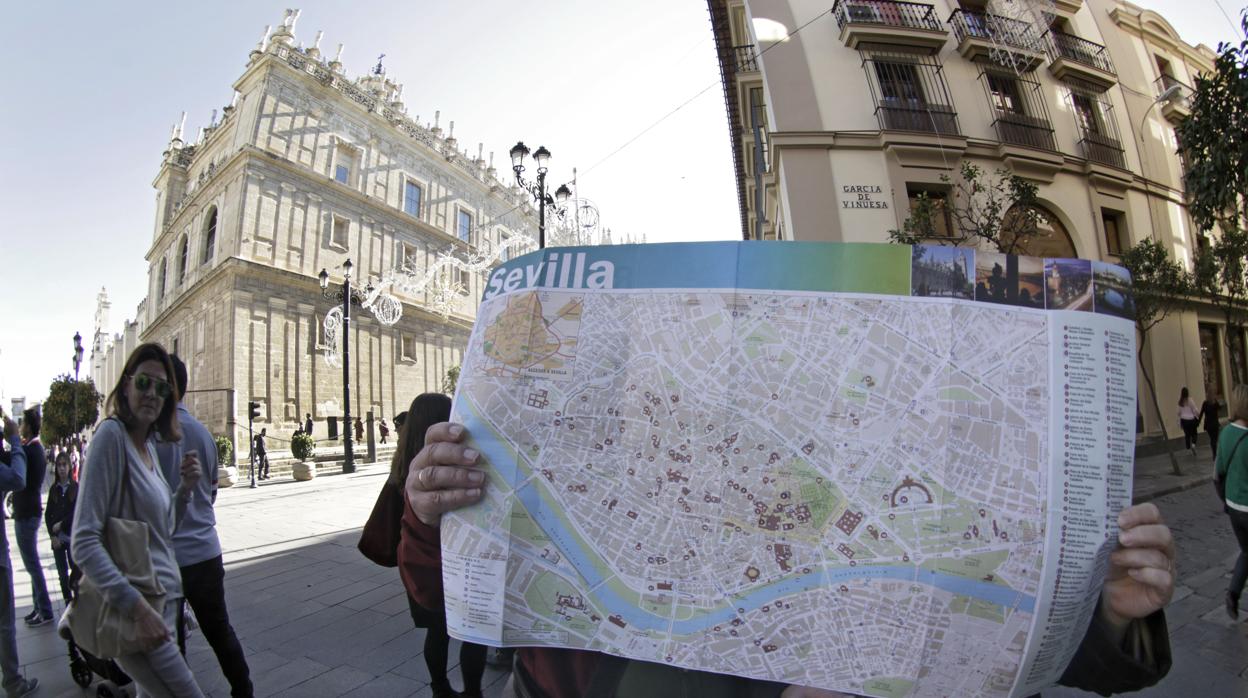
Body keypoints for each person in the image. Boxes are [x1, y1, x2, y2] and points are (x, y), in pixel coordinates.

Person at [404, 422, 1176, 698]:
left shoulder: (853, 513)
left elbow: (1001, 639)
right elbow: (460, 606)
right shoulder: (596, 527)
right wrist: (432, 519)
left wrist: (1103, 613)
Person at [73, 342, 205, 697]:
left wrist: (185, 490)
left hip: (165, 599)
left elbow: (163, 531)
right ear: (127, 383)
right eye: (144, 382)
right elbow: (83, 541)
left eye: (162, 388)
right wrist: (137, 609)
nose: (152, 394)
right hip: (140, 607)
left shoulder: (145, 447)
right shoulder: (111, 437)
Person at [155, 355, 253, 697]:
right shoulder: (203, 434)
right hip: (204, 550)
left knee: (171, 641)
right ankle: (243, 690)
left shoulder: (150, 437)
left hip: (164, 558)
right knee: (220, 632)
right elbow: (211, 491)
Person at [395, 395, 487, 698]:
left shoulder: (403, 459)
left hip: (415, 560)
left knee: (436, 631)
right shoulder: (454, 456)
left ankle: (439, 687)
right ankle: (472, 691)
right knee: (473, 634)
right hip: (459, 559)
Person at [0, 410, 38, 697]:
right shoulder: (24, 447)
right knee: (4, 622)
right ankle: (13, 682)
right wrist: (14, 440)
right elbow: (17, 478)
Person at [14, 408, 52, 627]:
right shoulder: (33, 449)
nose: (20, 427)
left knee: (32, 565)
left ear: (28, 426)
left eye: (22, 423)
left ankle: (45, 610)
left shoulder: (31, 450)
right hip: (28, 512)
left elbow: (11, 457)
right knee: (31, 564)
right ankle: (39, 607)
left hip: (27, 513)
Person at [1218, 384, 1248, 621]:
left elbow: (1217, 472)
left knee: (1247, 552)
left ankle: (1233, 594)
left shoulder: (1226, 433)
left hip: (1233, 506)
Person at [45, 451, 78, 605]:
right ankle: (67, 600)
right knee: (62, 574)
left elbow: (76, 513)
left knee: (76, 571)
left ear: (69, 467)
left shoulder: (75, 487)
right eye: (59, 465)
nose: (62, 468)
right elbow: (48, 514)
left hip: (72, 537)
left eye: (64, 465)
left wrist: (62, 525)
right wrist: (52, 535)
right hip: (58, 539)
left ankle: (79, 599)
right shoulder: (54, 489)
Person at [1202, 385, 1223, 461]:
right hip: (1214, 424)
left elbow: (1201, 413)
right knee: (1215, 439)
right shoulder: (1215, 403)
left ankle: (1214, 454)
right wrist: (1216, 401)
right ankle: (1215, 453)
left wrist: (1197, 423)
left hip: (1208, 425)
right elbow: (1220, 408)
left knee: (1212, 439)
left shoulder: (1205, 403)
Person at [1178, 387, 1200, 456]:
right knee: (1194, 433)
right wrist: (1198, 415)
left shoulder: (1180, 402)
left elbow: (1178, 412)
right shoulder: (1190, 400)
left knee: (1187, 435)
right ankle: (1193, 445)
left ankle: (1188, 447)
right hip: (1191, 420)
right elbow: (1194, 409)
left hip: (1184, 420)